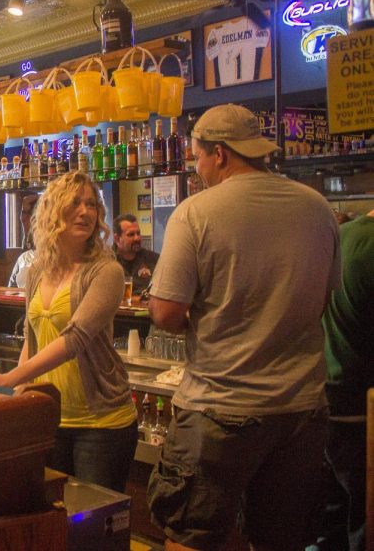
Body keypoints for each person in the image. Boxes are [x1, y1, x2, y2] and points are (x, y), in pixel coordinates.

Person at [146, 104, 340, 551]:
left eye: (197, 157)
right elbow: (325, 297)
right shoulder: (317, 207)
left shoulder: (196, 213)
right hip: (301, 411)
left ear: (219, 153)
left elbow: (165, 312)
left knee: (190, 538)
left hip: (219, 410)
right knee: (281, 540)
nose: (197, 168)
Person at [0, 172, 137, 492]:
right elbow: (32, 341)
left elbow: (75, 339)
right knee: (54, 521)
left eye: (91, 204)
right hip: (51, 418)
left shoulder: (107, 271)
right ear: (52, 210)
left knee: (90, 530)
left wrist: (10, 379)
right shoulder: (36, 272)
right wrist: (18, 389)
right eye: (74, 202)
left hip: (101, 424)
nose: (85, 211)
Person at [314, 209, 374, 551]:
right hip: (361, 411)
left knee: (327, 522)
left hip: (323, 398)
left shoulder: (341, 236)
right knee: (364, 522)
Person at [112, 213, 158, 297]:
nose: (137, 238)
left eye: (138, 233)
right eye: (131, 234)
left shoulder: (154, 259)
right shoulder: (106, 262)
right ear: (117, 239)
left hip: (146, 309)